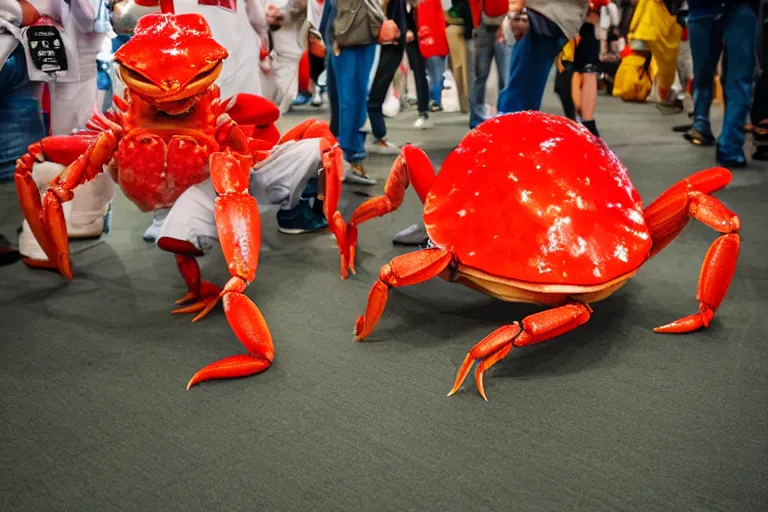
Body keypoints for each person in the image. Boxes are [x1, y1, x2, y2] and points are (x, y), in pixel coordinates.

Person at [17, 0, 117, 262]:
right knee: (68, 153)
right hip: (76, 65)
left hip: (62, 62)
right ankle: (43, 239)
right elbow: (88, 15)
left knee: (77, 148)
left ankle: (77, 222)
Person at [320, 0, 399, 185]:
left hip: (350, 30)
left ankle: (346, 158)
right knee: (348, 100)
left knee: (349, 99)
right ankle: (347, 158)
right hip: (347, 30)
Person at [685, 0, 759, 167]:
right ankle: (728, 144)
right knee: (738, 78)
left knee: (707, 73)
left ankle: (710, 129)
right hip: (730, 7)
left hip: (706, 8)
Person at [497, 0, 589, 114]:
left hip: (545, 17)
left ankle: (508, 128)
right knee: (524, 95)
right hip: (552, 18)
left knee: (519, 98)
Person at [366, 0, 409, 155]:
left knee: (376, 92)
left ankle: (377, 135)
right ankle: (376, 135)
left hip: (390, 43)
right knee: (372, 94)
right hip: (379, 44)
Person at [468, 0, 510, 128]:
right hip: (484, 26)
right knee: (481, 76)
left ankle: (504, 118)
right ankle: (477, 121)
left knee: (505, 78)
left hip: (504, 24)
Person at [571, 1, 602, 136]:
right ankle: (584, 121)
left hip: (583, 19)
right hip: (569, 20)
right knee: (575, 70)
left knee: (585, 69)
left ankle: (585, 122)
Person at [416, 0, 449, 111]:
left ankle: (435, 99)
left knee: (434, 72)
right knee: (436, 72)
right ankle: (435, 100)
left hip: (431, 38)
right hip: (435, 38)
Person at [405, 0, 433, 128]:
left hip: (419, 37)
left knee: (419, 73)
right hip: (405, 35)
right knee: (417, 71)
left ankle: (423, 111)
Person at [444, 0, 473, 114]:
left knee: (459, 66)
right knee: (463, 67)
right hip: (462, 30)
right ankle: (467, 102)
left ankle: (464, 103)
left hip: (455, 29)